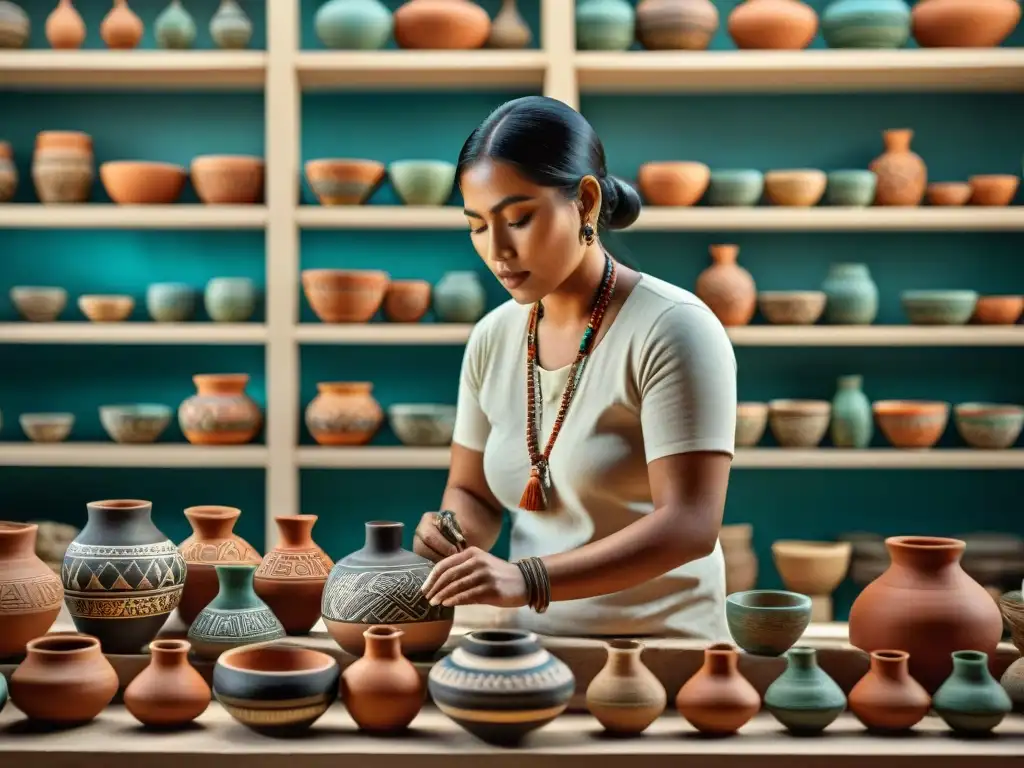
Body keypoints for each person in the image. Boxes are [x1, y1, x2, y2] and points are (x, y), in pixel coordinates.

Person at [414, 95, 737, 641]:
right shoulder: (494, 336)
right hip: (526, 653)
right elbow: (472, 494)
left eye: (518, 218)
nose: (497, 250)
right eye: (476, 225)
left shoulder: (674, 327)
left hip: (664, 657)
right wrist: (451, 533)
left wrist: (527, 580)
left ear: (585, 203)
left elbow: (689, 525)